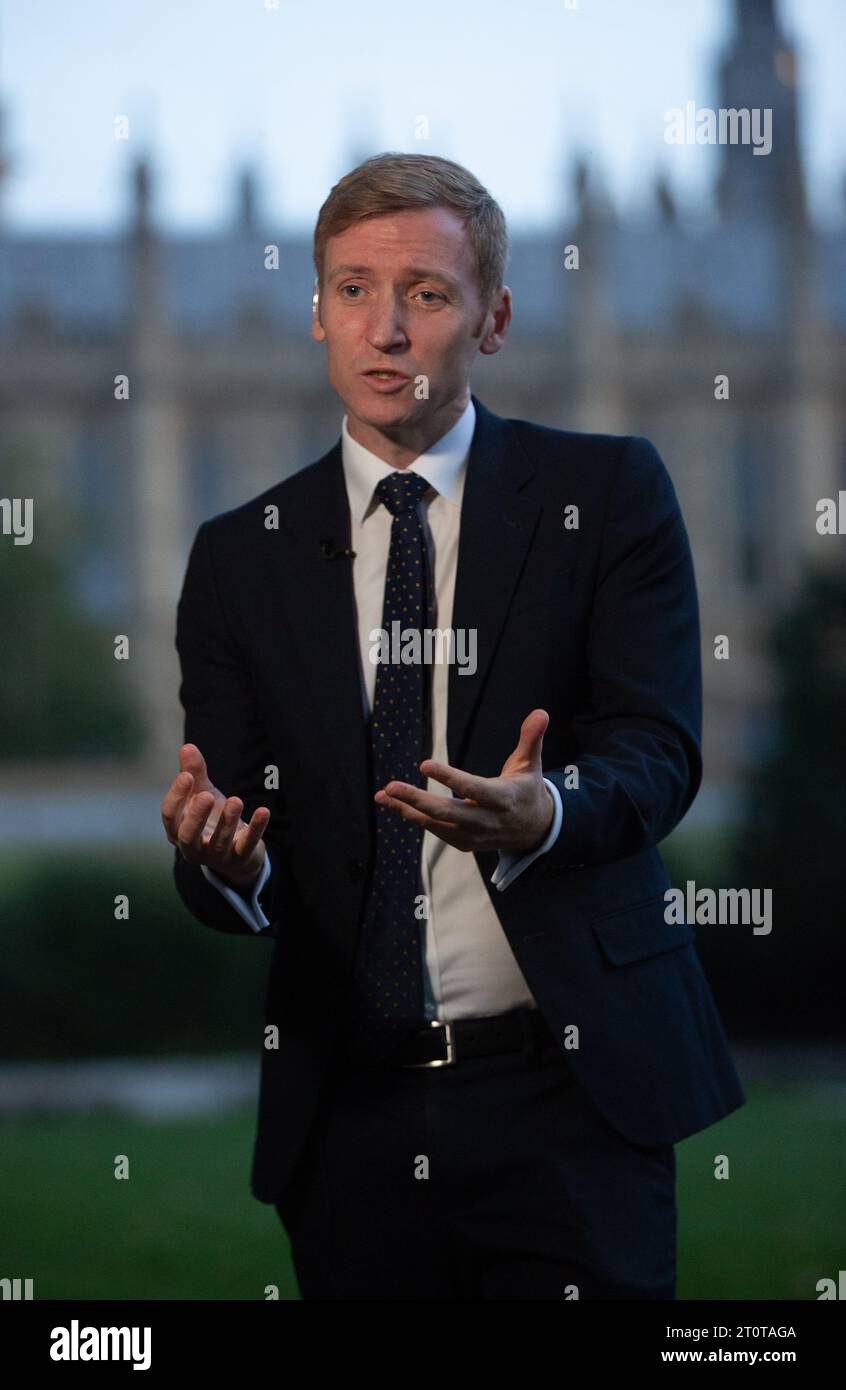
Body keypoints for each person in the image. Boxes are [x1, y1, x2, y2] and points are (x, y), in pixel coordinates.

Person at [161, 151, 745, 1300]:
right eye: (351, 291)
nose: (385, 330)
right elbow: (227, 830)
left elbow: (659, 749)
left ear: (494, 318)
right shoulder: (239, 556)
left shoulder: (610, 492)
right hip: (349, 1113)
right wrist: (225, 861)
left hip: (570, 1098)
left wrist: (549, 812)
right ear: (316, 313)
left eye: (426, 294)